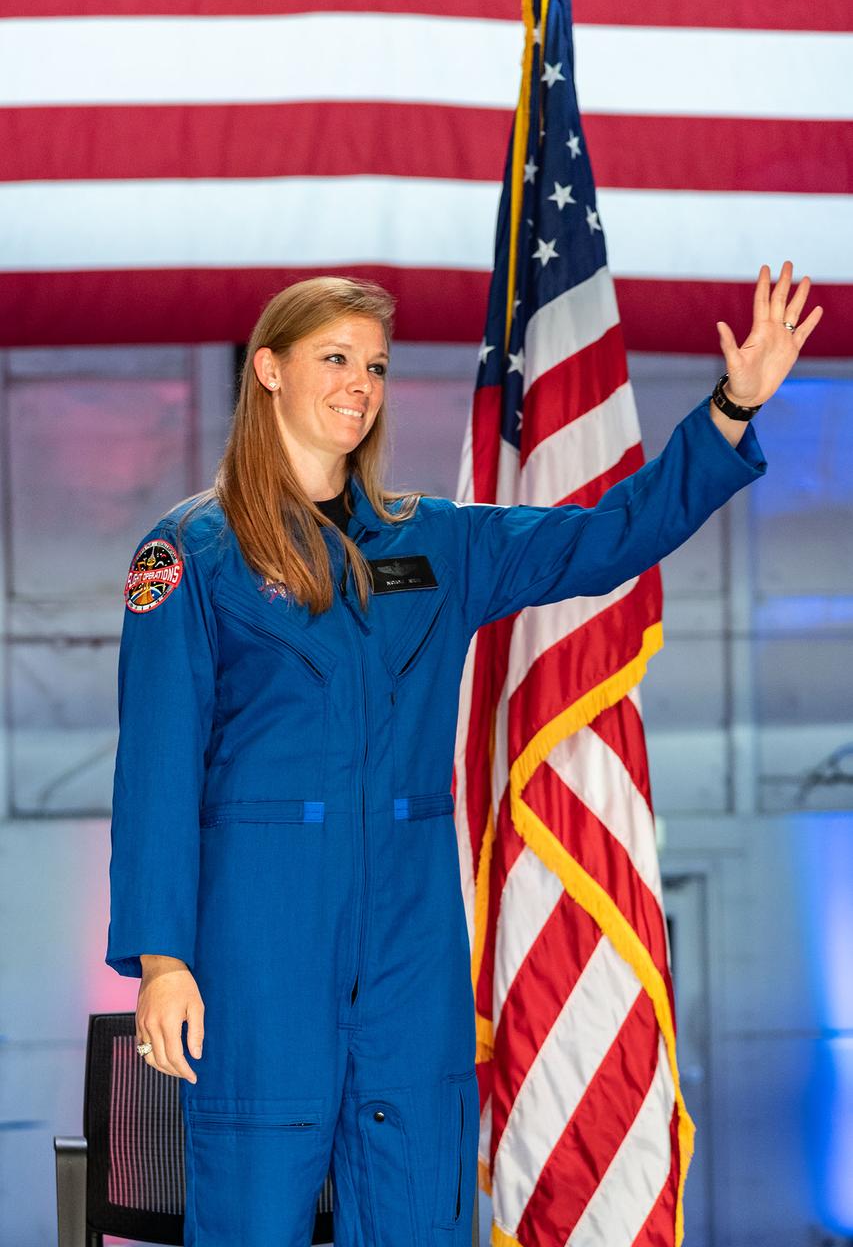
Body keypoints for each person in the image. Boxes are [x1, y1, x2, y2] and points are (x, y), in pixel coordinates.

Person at [106, 265, 821, 1246]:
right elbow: (154, 770)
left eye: (376, 366)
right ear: (267, 369)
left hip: (410, 945)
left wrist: (731, 408)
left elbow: (607, 538)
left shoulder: (433, 543)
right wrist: (162, 958)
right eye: (334, 358)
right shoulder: (189, 551)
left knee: (417, 1210)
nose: (359, 382)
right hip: (260, 942)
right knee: (252, 1216)